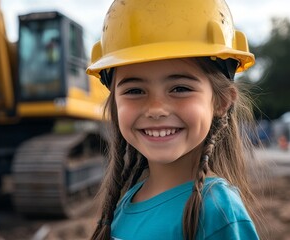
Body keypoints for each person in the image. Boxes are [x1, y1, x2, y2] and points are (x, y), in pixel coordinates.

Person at [86, 0, 263, 239]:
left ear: (221, 102)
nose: (156, 109)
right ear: (116, 103)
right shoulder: (126, 199)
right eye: (135, 91)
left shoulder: (216, 210)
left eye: (180, 88)